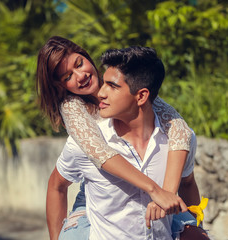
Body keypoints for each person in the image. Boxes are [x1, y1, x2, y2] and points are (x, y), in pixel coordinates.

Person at [36, 37, 194, 239]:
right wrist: (155, 190)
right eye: (67, 77)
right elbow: (101, 154)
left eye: (79, 64)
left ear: (86, 56)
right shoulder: (72, 108)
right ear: (61, 86)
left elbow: (179, 129)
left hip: (152, 197)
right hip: (96, 198)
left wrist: (168, 193)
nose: (80, 75)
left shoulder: (127, 84)